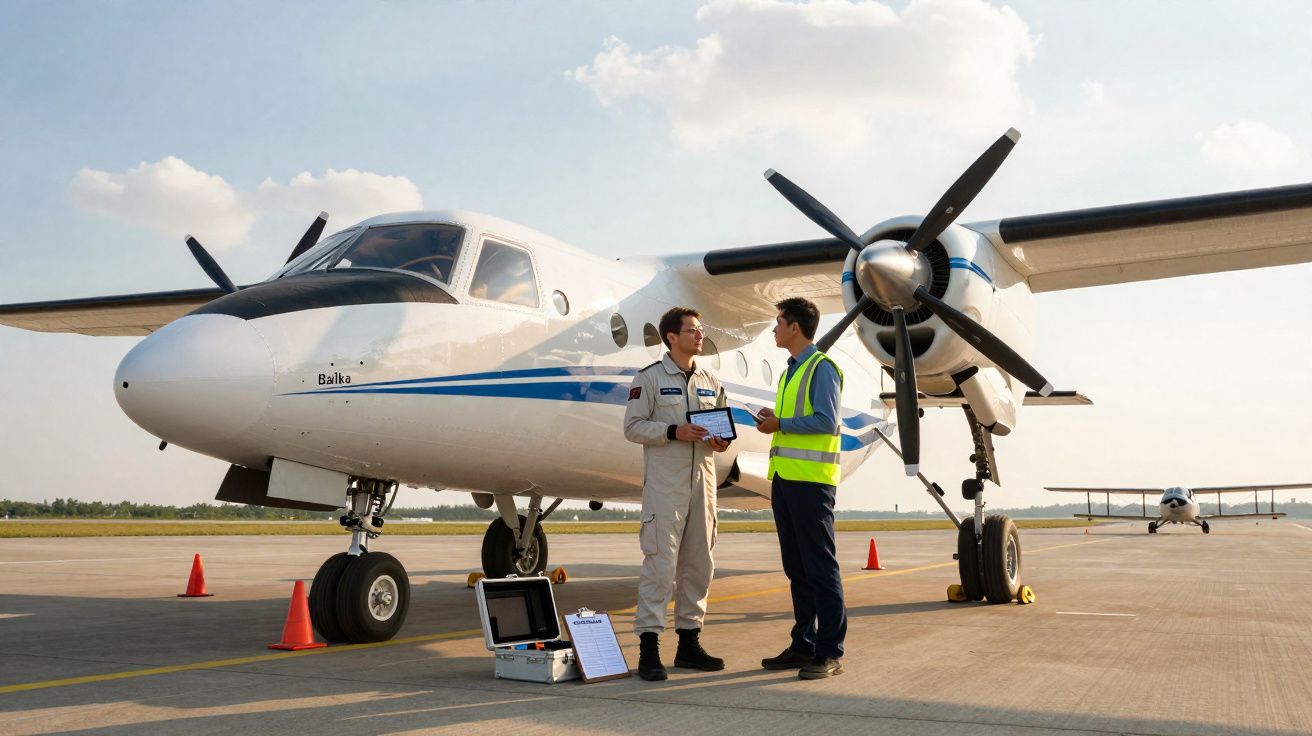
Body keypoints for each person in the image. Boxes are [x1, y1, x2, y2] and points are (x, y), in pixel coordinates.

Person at [623, 306, 731, 681]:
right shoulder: (649, 378)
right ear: (672, 336)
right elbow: (633, 427)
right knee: (660, 566)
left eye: (701, 329)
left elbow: (721, 425)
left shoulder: (711, 380)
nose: (700, 335)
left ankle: (689, 644)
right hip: (665, 486)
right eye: (693, 330)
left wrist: (720, 441)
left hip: (703, 481)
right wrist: (673, 432)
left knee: (700, 564)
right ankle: (649, 649)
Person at [754, 297, 847, 680]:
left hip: (812, 484)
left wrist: (781, 424)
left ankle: (830, 651)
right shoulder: (789, 370)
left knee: (821, 568)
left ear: (795, 327)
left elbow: (826, 421)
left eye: (778, 322)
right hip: (786, 481)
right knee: (797, 568)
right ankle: (803, 644)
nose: (774, 329)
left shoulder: (820, 367)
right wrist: (776, 424)